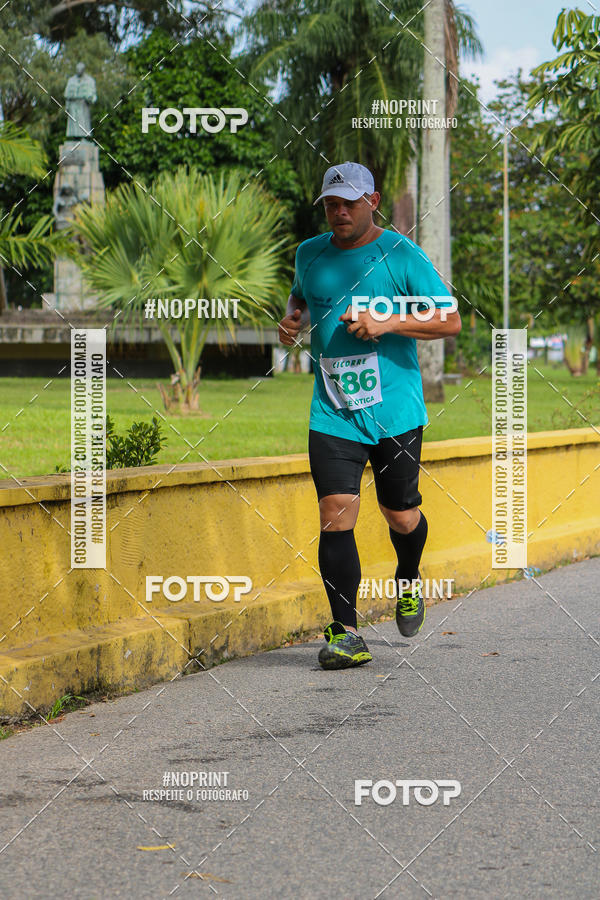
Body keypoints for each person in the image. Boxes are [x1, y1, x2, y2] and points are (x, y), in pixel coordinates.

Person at [278, 162, 461, 670]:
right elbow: (303, 295)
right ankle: (346, 632)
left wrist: (387, 322)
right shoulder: (309, 253)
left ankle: (408, 576)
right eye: (331, 204)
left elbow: (449, 319)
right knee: (336, 513)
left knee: (400, 515)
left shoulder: (402, 254)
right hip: (332, 411)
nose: (339, 212)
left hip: (395, 412)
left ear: (373, 201)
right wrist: (295, 318)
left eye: (349, 203)